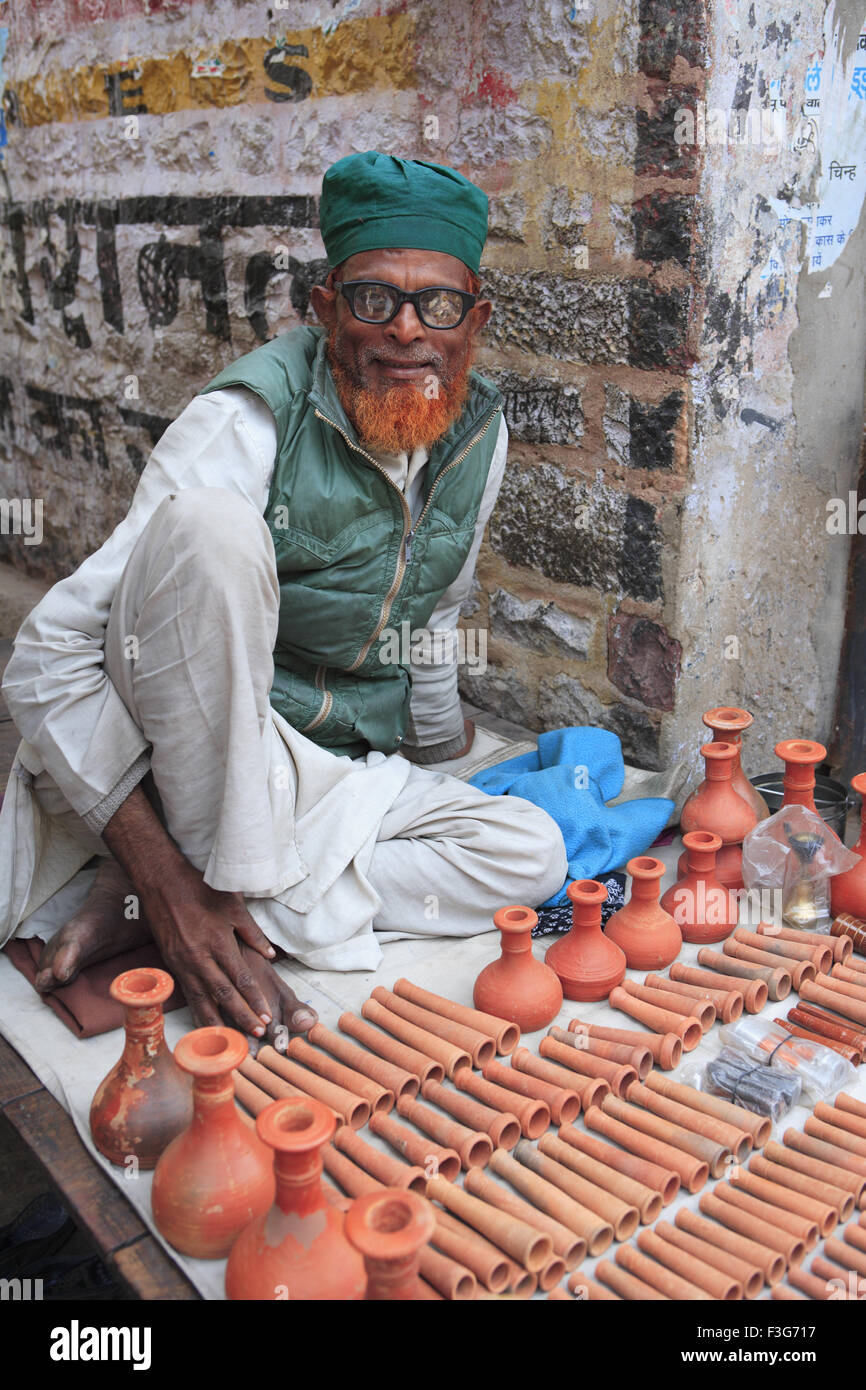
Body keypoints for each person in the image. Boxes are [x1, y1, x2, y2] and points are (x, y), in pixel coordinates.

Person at [0, 151, 567, 1044]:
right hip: (196, 742)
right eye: (376, 299)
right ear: (326, 307)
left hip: (315, 768)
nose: (408, 331)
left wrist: (439, 760)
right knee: (212, 531)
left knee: (531, 853)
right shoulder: (249, 419)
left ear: (476, 320)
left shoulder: (476, 434)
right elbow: (43, 659)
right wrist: (163, 873)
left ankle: (191, 912)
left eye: (440, 305)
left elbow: (438, 608)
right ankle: (185, 891)